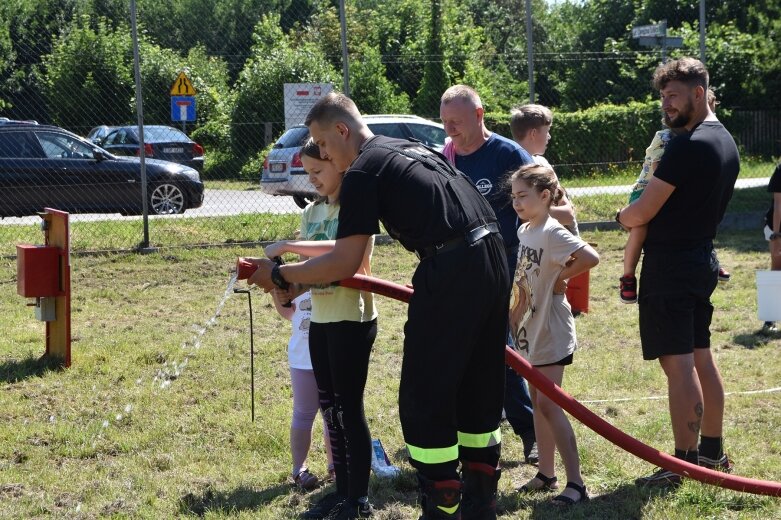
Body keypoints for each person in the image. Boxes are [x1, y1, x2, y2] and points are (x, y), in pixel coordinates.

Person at [249, 92, 510, 519]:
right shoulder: (406, 148)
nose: (328, 158)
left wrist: (280, 276)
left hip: (451, 269)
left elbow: (346, 260)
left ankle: (441, 508)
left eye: (325, 146)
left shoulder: (363, 170)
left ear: (342, 130)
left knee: (424, 398)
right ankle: (480, 504)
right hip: (493, 256)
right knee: (478, 387)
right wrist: (297, 284)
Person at [617, 57, 739, 487]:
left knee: (680, 366)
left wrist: (621, 215)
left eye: (673, 95)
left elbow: (640, 212)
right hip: (700, 258)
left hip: (671, 266)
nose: (665, 104)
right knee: (701, 357)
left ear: (699, 93)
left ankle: (683, 463)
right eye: (663, 96)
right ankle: (712, 453)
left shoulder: (687, 146)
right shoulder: (725, 141)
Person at [257, 138, 378, 519]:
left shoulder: (356, 209)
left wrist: (289, 247)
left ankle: (358, 498)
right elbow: (312, 273)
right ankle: (340, 491)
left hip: (351, 319)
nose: (313, 181)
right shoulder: (311, 213)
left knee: (348, 409)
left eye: (318, 171)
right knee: (330, 411)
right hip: (321, 319)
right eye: (307, 174)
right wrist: (283, 285)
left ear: (339, 164)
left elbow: (340, 257)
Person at [439, 85, 539, 467]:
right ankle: (470, 428)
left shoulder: (508, 155)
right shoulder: (446, 158)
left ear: (479, 116)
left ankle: (528, 430)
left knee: (500, 347)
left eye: (457, 123)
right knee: (462, 347)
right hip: (459, 266)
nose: (450, 130)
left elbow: (542, 202)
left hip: (502, 263)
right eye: (445, 122)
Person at [508, 164, 599, 506]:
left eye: (523, 196)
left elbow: (591, 256)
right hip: (531, 326)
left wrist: (564, 277)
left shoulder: (551, 231)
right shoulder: (525, 229)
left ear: (545, 196)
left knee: (549, 403)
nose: (516, 202)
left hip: (552, 329)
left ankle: (577, 483)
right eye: (513, 196)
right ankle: (546, 473)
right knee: (538, 403)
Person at [619, 89, 730, 304]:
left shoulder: (699, 140)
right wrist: (622, 216)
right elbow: (660, 170)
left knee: (697, 219)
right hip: (646, 191)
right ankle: (628, 276)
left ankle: (710, 262)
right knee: (640, 228)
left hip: (672, 200)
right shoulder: (667, 138)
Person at [269, 286, 335, 491]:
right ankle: (299, 470)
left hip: (330, 358)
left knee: (331, 414)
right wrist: (275, 292)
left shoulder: (331, 271)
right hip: (302, 360)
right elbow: (290, 313)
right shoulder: (294, 278)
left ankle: (335, 466)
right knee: (303, 414)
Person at [509, 103, 579, 236]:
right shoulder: (517, 168)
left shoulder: (542, 162)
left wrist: (532, 212)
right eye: (547, 131)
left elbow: (567, 214)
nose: (549, 137)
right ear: (533, 133)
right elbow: (523, 217)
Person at [762, 162, 781, 332]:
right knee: (777, 270)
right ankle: (770, 319)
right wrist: (776, 235)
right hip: (778, 227)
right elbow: (778, 205)